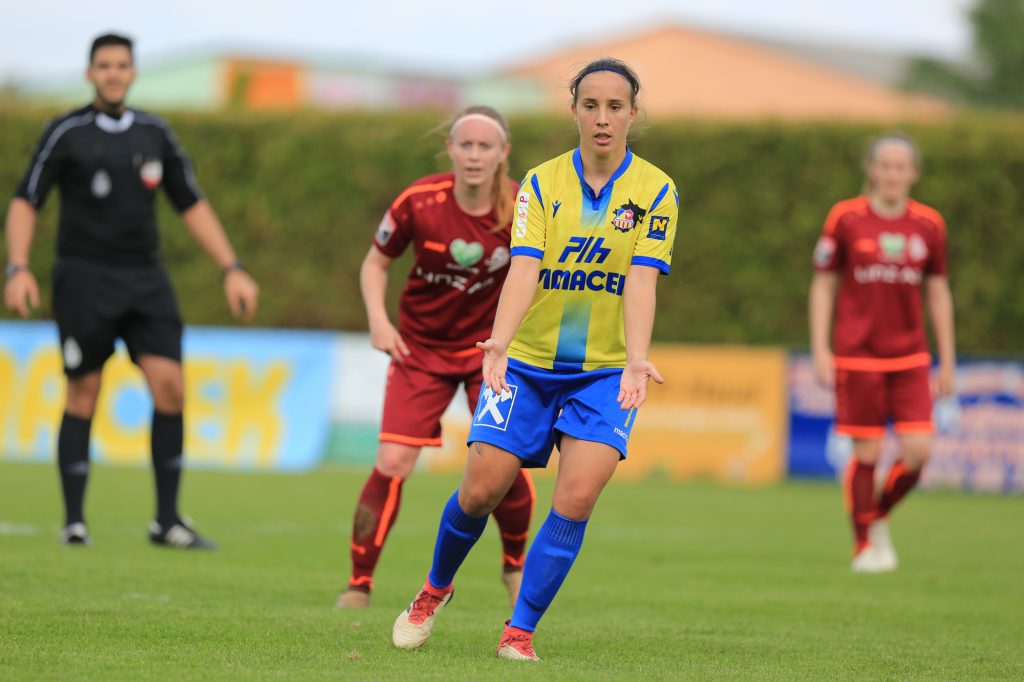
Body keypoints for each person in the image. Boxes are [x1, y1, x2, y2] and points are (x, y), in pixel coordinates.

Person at [391, 58, 678, 661]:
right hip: (523, 363)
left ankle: (518, 632)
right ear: (574, 110)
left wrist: (636, 359)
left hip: (603, 373)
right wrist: (499, 341)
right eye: (591, 105)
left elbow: (642, 280)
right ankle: (433, 590)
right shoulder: (542, 185)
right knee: (480, 491)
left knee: (575, 499)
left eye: (615, 106)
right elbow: (525, 267)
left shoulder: (657, 191)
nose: (603, 118)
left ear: (633, 113)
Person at [3, 33, 259, 549]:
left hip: (145, 279)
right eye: (104, 65)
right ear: (90, 73)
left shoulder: (154, 133)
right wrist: (18, 267)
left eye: (122, 65)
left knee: (171, 387)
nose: (114, 73)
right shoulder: (66, 132)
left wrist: (231, 266)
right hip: (84, 279)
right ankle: (74, 521)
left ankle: (166, 520)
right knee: (84, 390)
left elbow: (191, 203)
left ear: (134, 72)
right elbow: (27, 200)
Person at [336, 105, 535, 609]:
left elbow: (537, 280)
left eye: (484, 146)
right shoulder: (418, 201)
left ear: (503, 153)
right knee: (393, 460)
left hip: (489, 356)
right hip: (419, 352)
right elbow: (375, 265)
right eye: (463, 144)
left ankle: (515, 569)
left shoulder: (523, 209)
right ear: (449, 149)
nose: (473, 154)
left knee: (500, 466)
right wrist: (379, 322)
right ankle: (359, 585)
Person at [808, 133, 956, 573]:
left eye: (901, 166)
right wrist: (821, 349)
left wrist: (946, 358)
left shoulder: (930, 224)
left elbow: (938, 291)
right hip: (857, 356)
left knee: (918, 454)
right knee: (867, 454)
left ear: (913, 173)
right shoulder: (845, 218)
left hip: (910, 357)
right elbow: (823, 283)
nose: (892, 174)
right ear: (871, 170)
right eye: (885, 166)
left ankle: (876, 516)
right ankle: (863, 547)